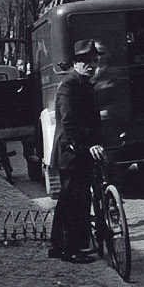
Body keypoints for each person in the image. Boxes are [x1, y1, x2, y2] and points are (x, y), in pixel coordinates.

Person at [47, 39, 105, 263]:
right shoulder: (69, 86)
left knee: (78, 200)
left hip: (84, 151)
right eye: (85, 61)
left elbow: (94, 121)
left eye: (94, 61)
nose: (91, 65)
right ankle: (68, 249)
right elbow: (69, 122)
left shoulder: (86, 84)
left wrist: (99, 142)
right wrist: (86, 145)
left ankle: (70, 245)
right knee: (72, 201)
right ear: (75, 63)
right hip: (71, 152)